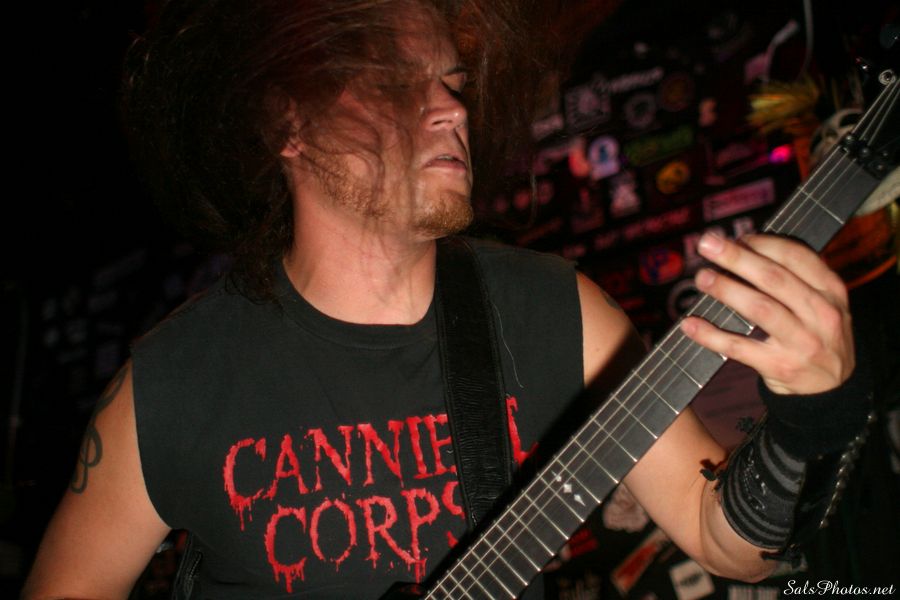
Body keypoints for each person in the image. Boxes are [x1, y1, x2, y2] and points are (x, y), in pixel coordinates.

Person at [23, 1, 871, 598]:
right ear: (287, 124)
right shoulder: (172, 384)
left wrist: (813, 418)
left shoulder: (554, 311)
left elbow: (725, 542)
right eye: (395, 83)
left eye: (451, 81)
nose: (448, 110)